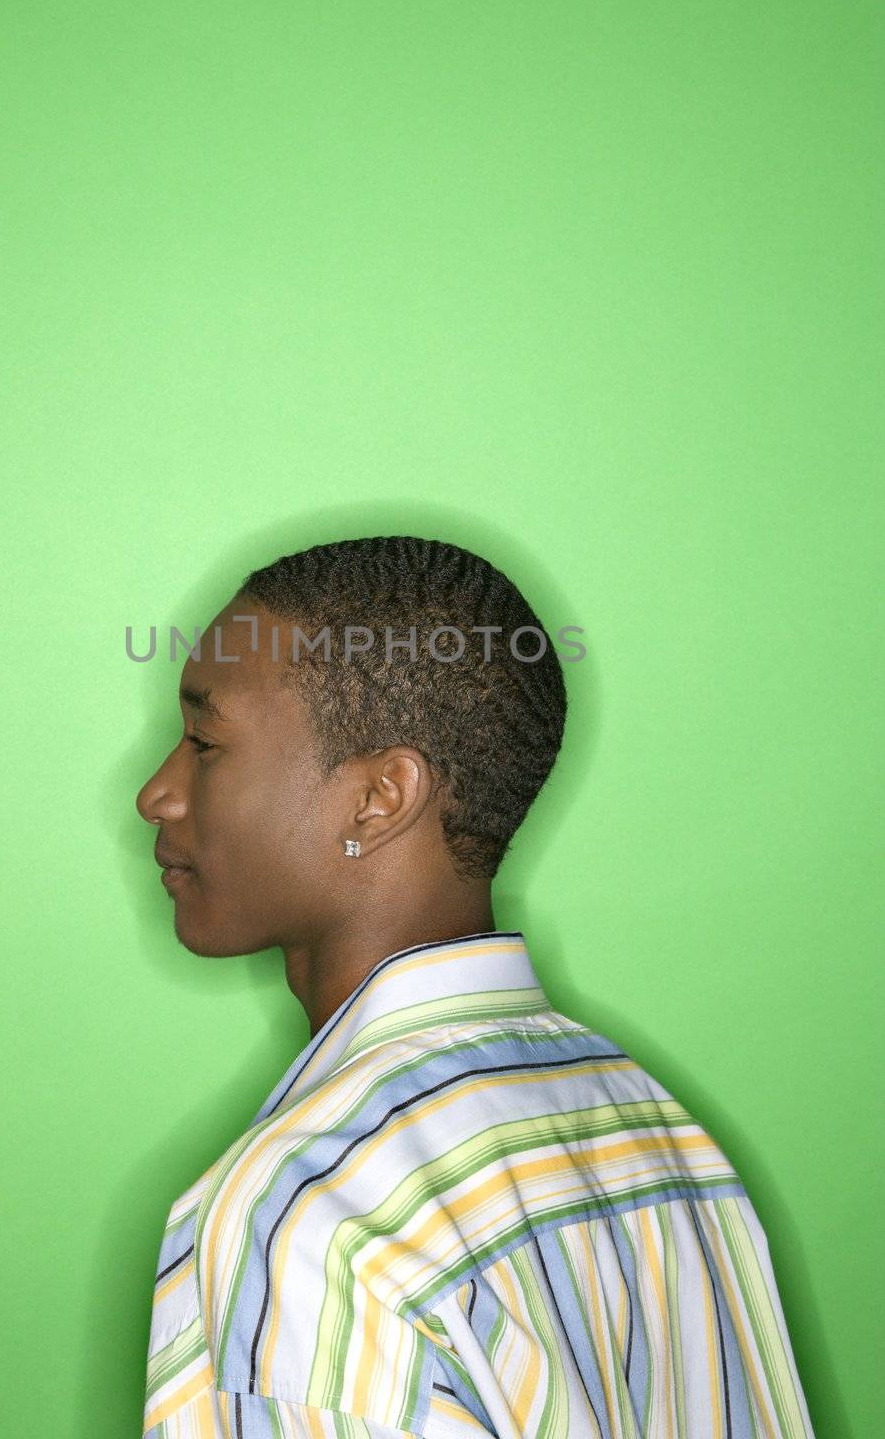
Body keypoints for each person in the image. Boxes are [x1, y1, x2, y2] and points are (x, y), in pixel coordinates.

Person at [135, 535, 814, 1439]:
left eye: (204, 741)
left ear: (378, 799)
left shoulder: (307, 1214)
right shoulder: (647, 1123)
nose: (157, 793)